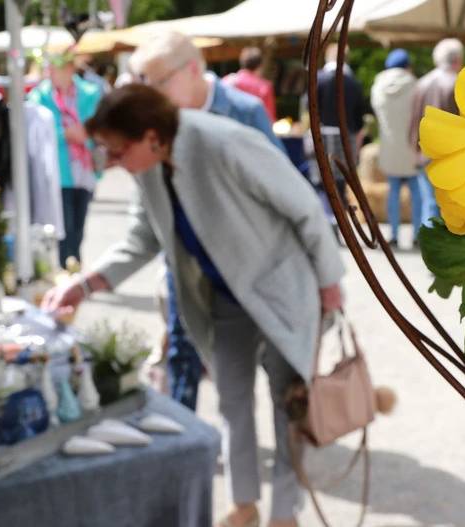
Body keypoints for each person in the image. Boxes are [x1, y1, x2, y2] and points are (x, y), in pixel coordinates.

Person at [42, 84, 344, 527]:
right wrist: (84, 286)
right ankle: (244, 504)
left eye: (117, 151)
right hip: (221, 297)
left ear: (150, 136)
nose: (111, 163)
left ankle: (285, 513)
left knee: (289, 405)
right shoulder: (148, 168)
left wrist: (329, 283)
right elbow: (140, 241)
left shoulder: (224, 140)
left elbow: (304, 207)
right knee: (231, 402)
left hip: (282, 291)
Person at [128, 30, 283, 411]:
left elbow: (283, 187)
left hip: (245, 269)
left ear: (193, 69)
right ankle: (189, 445)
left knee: (268, 362)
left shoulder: (244, 111)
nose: (153, 93)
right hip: (185, 265)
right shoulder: (156, 122)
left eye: (160, 82)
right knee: (183, 355)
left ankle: (285, 450)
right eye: (146, 83)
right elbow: (146, 216)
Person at [27, 49, 103, 266]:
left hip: (84, 169)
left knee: (79, 224)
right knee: (64, 225)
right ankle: (66, 266)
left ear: (69, 69)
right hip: (57, 170)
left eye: (56, 69)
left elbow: (98, 124)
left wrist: (86, 135)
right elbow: (37, 132)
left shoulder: (89, 92)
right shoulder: (40, 95)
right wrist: (66, 134)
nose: (51, 74)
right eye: (49, 69)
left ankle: (75, 263)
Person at [409, 38, 463, 230]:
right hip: (451, 155)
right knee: (448, 205)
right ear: (457, 59)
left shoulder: (421, 84)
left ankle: (426, 243)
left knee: (428, 202)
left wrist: (415, 149)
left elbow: (413, 120)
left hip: (423, 152)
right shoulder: (458, 83)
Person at [370, 48, 422, 247]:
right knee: (416, 193)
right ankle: (418, 234)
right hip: (411, 148)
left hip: (389, 148)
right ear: (407, 65)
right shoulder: (415, 85)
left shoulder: (378, 86)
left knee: (393, 191)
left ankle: (393, 234)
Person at [313, 43, 371, 202]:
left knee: (323, 177)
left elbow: (309, 109)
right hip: (348, 135)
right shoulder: (354, 83)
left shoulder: (318, 79)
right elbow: (359, 117)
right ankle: (341, 213)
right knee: (343, 177)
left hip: (322, 133)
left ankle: (327, 215)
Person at [224, 46, 277, 121]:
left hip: (231, 127)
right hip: (255, 129)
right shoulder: (264, 86)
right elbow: (269, 117)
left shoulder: (227, 81)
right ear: (260, 66)